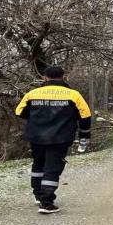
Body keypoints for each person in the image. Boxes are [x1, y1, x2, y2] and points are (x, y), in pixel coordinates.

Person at [15, 66, 92, 214]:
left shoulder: (32, 94)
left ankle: (38, 195)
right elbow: (85, 116)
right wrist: (84, 136)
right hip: (60, 137)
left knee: (38, 165)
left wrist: (38, 117)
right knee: (52, 168)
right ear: (64, 77)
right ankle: (46, 203)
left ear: (44, 77)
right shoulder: (73, 95)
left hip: (36, 136)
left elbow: (19, 112)